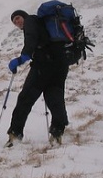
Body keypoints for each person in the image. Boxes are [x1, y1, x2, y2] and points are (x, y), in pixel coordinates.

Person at [6, 9, 70, 146]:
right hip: (60, 65)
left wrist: (22, 58)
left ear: (24, 16)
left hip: (43, 66)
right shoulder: (42, 24)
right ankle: (58, 131)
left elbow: (31, 39)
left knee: (26, 98)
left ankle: (15, 133)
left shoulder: (30, 21)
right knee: (55, 97)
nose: (17, 22)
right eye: (14, 21)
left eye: (17, 18)